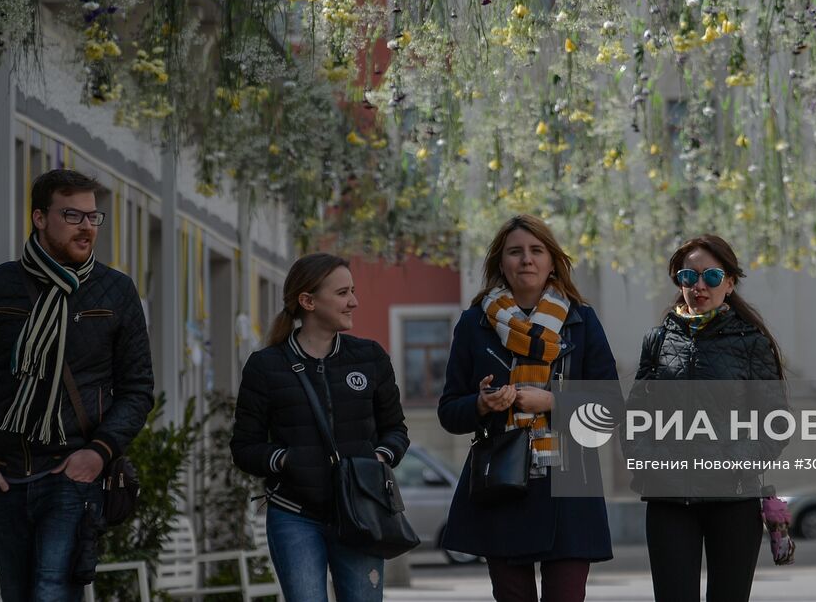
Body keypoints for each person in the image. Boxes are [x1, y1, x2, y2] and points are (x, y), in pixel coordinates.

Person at [0, 169, 154, 602]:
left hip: (72, 473)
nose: (87, 226)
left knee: (52, 593)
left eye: (93, 216)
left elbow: (139, 388)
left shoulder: (116, 291)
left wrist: (98, 452)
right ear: (39, 217)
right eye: (72, 215)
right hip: (6, 478)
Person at [439, 213, 619, 602]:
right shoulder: (474, 324)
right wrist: (483, 404)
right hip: (503, 479)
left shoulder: (581, 321)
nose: (526, 260)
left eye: (536, 250)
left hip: (571, 482)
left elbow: (610, 409)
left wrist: (551, 400)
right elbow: (449, 410)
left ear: (552, 260)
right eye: (515, 252)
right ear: (500, 263)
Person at [231, 252, 409, 602]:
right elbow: (244, 447)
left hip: (362, 514)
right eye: (343, 293)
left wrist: (377, 457)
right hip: (294, 516)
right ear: (308, 301)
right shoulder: (266, 366)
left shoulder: (370, 357)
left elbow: (396, 430)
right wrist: (286, 459)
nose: (353, 302)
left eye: (352, 291)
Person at [635, 234, 786, 602]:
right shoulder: (657, 340)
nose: (699, 286)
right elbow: (636, 416)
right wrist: (648, 461)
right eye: (689, 277)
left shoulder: (752, 342)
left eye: (712, 277)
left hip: (733, 498)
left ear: (730, 283)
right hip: (669, 499)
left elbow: (776, 424)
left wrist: (732, 463)